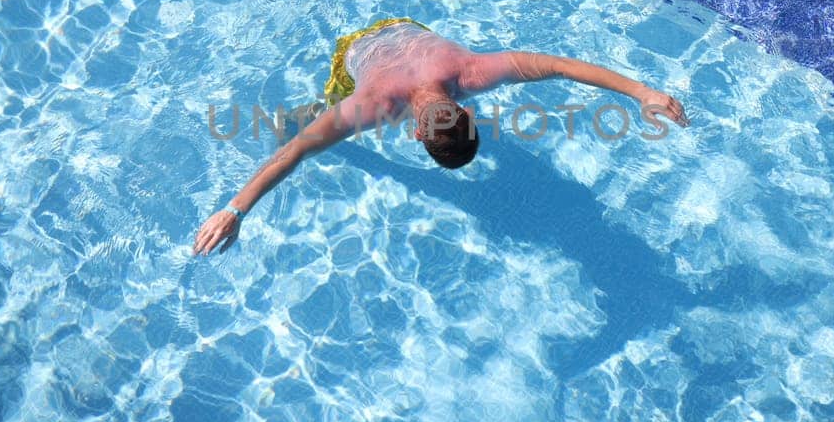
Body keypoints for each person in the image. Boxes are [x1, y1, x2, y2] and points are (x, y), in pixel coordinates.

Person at [193, 18, 689, 255]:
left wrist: (642, 91)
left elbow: (558, 65)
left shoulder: (469, 73)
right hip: (362, 52)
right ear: (416, 130)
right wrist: (233, 211)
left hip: (396, 29)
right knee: (312, 126)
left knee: (320, 132)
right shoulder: (379, 104)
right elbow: (295, 148)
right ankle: (312, 111)